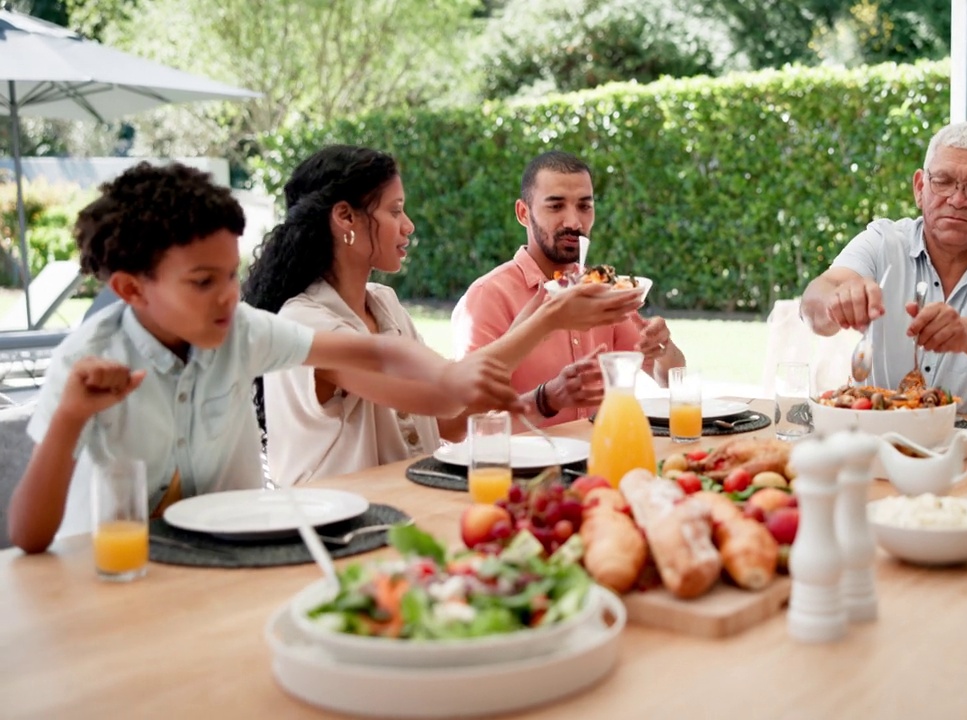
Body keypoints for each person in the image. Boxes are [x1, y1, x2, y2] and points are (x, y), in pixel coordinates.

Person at [7, 162, 522, 554]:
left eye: (231, 275)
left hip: (230, 558)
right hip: (110, 573)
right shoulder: (87, 362)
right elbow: (29, 536)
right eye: (203, 282)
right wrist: (71, 416)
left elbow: (380, 353)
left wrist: (456, 376)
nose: (229, 296)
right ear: (130, 289)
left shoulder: (241, 331)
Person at [243, 145, 641, 485]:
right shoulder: (305, 322)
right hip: (338, 531)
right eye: (395, 211)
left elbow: (445, 424)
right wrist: (548, 319)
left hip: (407, 507)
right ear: (345, 217)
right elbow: (443, 395)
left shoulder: (384, 305)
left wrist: (543, 392)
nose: (408, 225)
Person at [799, 122, 967, 418]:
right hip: (879, 442)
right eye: (943, 181)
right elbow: (815, 300)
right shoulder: (882, 242)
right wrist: (836, 302)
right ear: (920, 188)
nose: (958, 199)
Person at [452, 150, 686, 426]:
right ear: (523, 213)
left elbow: (672, 378)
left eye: (584, 207)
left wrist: (662, 347)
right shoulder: (488, 296)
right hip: (529, 465)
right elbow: (471, 423)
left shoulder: (604, 288)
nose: (574, 222)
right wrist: (546, 399)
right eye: (556, 206)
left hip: (601, 458)